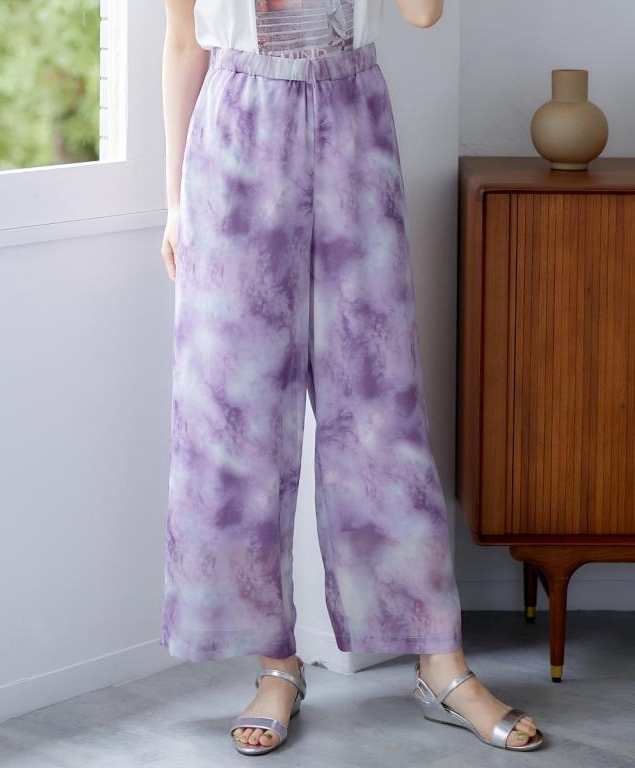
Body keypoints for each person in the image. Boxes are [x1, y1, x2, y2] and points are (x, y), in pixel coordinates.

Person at [159, 0, 544, 756]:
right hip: (234, 140)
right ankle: (277, 665)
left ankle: (441, 664)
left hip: (352, 124)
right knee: (234, 419)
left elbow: (424, 14)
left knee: (380, 414)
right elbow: (181, 43)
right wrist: (173, 202)